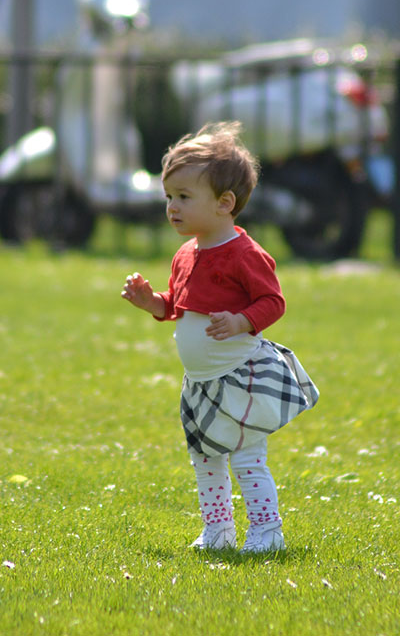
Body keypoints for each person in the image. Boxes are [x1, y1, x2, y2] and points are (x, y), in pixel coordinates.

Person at [121, 122, 319, 553]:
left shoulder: (245, 254)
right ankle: (218, 531)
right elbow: (176, 306)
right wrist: (151, 301)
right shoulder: (185, 254)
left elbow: (273, 302)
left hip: (239, 375)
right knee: (205, 458)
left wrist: (241, 321)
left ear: (224, 203)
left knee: (247, 458)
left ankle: (267, 532)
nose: (172, 207)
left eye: (184, 197)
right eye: (168, 197)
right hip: (200, 384)